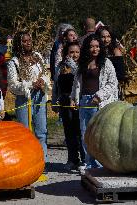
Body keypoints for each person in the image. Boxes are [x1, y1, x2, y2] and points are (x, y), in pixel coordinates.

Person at [71, 34, 119, 169]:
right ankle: (89, 162)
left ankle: (99, 164)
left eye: (97, 46)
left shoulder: (106, 63)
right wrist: (73, 98)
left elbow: (112, 83)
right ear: (87, 48)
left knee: (97, 134)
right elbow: (76, 83)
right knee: (85, 133)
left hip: (97, 101)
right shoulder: (82, 63)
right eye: (91, 46)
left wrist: (99, 95)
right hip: (84, 101)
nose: (94, 49)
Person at [7, 32, 50, 161]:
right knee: (25, 131)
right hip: (24, 97)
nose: (28, 43)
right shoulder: (14, 62)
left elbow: (45, 73)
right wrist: (31, 84)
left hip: (40, 95)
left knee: (41, 130)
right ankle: (26, 161)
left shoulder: (37, 56)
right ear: (19, 44)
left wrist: (42, 80)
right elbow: (13, 84)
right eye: (24, 41)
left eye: (29, 40)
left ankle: (43, 161)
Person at [54, 41, 85, 171]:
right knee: (69, 132)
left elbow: (80, 78)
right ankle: (72, 159)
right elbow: (56, 84)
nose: (74, 54)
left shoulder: (82, 66)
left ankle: (84, 160)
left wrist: (73, 65)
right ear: (66, 53)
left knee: (81, 132)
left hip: (79, 101)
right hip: (65, 102)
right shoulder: (60, 67)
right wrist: (55, 100)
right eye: (71, 52)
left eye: (77, 52)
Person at [95, 26, 126, 99]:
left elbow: (121, 74)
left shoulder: (116, 52)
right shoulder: (95, 53)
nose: (106, 40)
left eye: (108, 36)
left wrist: (106, 77)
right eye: (103, 37)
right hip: (96, 88)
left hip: (110, 90)